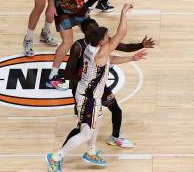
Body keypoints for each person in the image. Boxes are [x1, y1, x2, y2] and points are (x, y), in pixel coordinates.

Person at [46, 3, 147, 172]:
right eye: (107, 37)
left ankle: (91, 153)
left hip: (92, 95)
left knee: (98, 119)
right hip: (88, 97)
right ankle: (56, 157)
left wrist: (131, 58)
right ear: (101, 42)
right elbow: (121, 33)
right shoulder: (98, 53)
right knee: (86, 133)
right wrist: (123, 12)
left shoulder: (94, 49)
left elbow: (111, 59)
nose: (110, 38)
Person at [62, 18, 155, 148]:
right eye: (92, 29)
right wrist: (83, 78)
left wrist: (140, 46)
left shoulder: (99, 43)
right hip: (84, 89)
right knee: (83, 128)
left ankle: (111, 139)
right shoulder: (80, 47)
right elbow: (67, 74)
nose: (96, 30)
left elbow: (120, 48)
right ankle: (61, 152)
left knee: (116, 111)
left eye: (97, 27)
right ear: (86, 32)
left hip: (96, 87)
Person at [45, 0, 95, 90]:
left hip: (77, 7)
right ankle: (52, 77)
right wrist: (51, 5)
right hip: (62, 9)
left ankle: (91, 66)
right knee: (67, 42)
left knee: (93, 33)